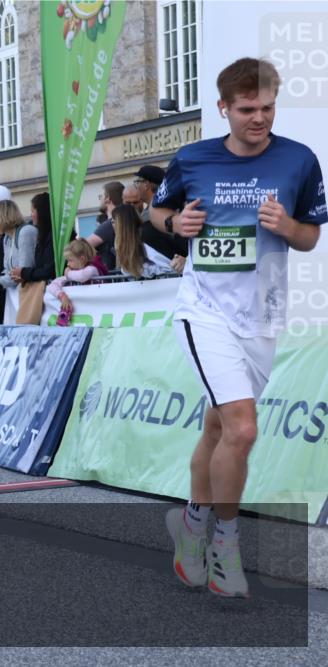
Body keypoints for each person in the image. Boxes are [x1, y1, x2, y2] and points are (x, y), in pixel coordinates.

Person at [151, 58, 326, 598]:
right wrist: (177, 224)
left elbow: (310, 238)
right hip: (205, 310)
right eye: (247, 110)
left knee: (219, 428)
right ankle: (224, 541)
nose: (259, 119)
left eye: (268, 108)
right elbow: (158, 215)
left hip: (263, 314)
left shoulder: (299, 160)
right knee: (244, 429)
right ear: (224, 108)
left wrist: (288, 225)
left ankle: (191, 520)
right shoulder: (193, 159)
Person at [46, 238, 108, 325]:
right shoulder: (73, 274)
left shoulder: (92, 269)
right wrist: (62, 296)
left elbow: (83, 276)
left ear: (82, 259)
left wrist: (68, 273)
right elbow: (51, 286)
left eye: (70, 260)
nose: (67, 264)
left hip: (100, 314)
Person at [134, 164, 190, 260]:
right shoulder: (169, 206)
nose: (135, 186)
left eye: (137, 182)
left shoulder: (158, 213)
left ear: (146, 185)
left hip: (175, 267)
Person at [113, 203, 172, 278]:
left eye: (114, 221)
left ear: (121, 224)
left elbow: (167, 266)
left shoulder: (145, 235)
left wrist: (142, 270)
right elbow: (126, 270)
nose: (113, 225)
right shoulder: (122, 243)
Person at [87, 181, 125, 270]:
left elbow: (81, 247)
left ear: (107, 198)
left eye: (101, 196)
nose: (100, 199)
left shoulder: (109, 224)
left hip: (110, 276)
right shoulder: (122, 220)